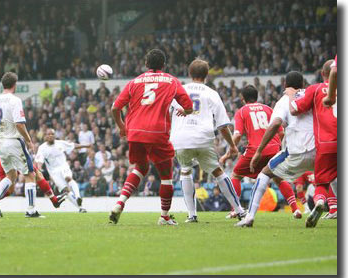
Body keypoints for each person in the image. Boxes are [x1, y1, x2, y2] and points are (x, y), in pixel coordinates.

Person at [109, 49, 193, 225]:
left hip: (135, 132)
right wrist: (184, 111)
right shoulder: (171, 81)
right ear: (163, 65)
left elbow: (115, 108)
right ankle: (164, 216)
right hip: (157, 132)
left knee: (141, 167)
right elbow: (189, 106)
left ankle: (120, 203)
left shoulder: (134, 82)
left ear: (146, 64)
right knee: (166, 176)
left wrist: (122, 127)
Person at [170, 59, 246, 223]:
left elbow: (166, 113)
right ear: (206, 75)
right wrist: (232, 146)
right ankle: (239, 211)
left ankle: (192, 215)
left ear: (189, 74)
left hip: (181, 138)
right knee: (218, 172)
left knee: (185, 171)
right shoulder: (211, 93)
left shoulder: (179, 91)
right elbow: (223, 125)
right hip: (202, 137)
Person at [237, 71, 314, 227]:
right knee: (331, 176)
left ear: (285, 85)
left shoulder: (284, 101)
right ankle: (330, 206)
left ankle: (248, 216)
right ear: (303, 84)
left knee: (264, 174)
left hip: (295, 151)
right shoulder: (313, 95)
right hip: (319, 149)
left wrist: (259, 151)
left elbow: (275, 125)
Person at [220, 85, 301, 220]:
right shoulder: (269, 109)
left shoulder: (241, 111)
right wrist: (273, 146)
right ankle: (296, 209)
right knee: (278, 178)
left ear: (242, 99)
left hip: (255, 150)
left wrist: (228, 152)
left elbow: (238, 135)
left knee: (236, 174)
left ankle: (236, 210)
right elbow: (281, 132)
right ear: (256, 96)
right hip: (274, 148)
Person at [287, 60, 337, 227]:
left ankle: (321, 202)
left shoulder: (315, 89)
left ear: (322, 74)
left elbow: (294, 110)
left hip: (326, 143)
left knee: (322, 182)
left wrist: (290, 95)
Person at [0, 72, 40, 218]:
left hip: (0, 142)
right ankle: (31, 210)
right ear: (15, 85)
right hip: (13, 141)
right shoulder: (15, 100)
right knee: (30, 174)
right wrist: (28, 140)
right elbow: (19, 124)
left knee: (11, 175)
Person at [0, 128, 65, 215]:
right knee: (34, 174)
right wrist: (28, 140)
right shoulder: (2, 126)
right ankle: (51, 201)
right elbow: (14, 129)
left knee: (9, 189)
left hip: (2, 159)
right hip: (14, 152)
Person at [35, 128, 91, 213]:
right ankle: (80, 207)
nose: (50, 136)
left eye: (52, 134)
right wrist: (39, 169)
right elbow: (39, 161)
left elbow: (73, 145)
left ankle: (78, 196)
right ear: (45, 136)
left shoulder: (60, 143)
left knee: (68, 178)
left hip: (63, 166)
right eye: (48, 134)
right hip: (54, 172)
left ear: (55, 136)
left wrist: (85, 146)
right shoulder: (42, 148)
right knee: (66, 190)